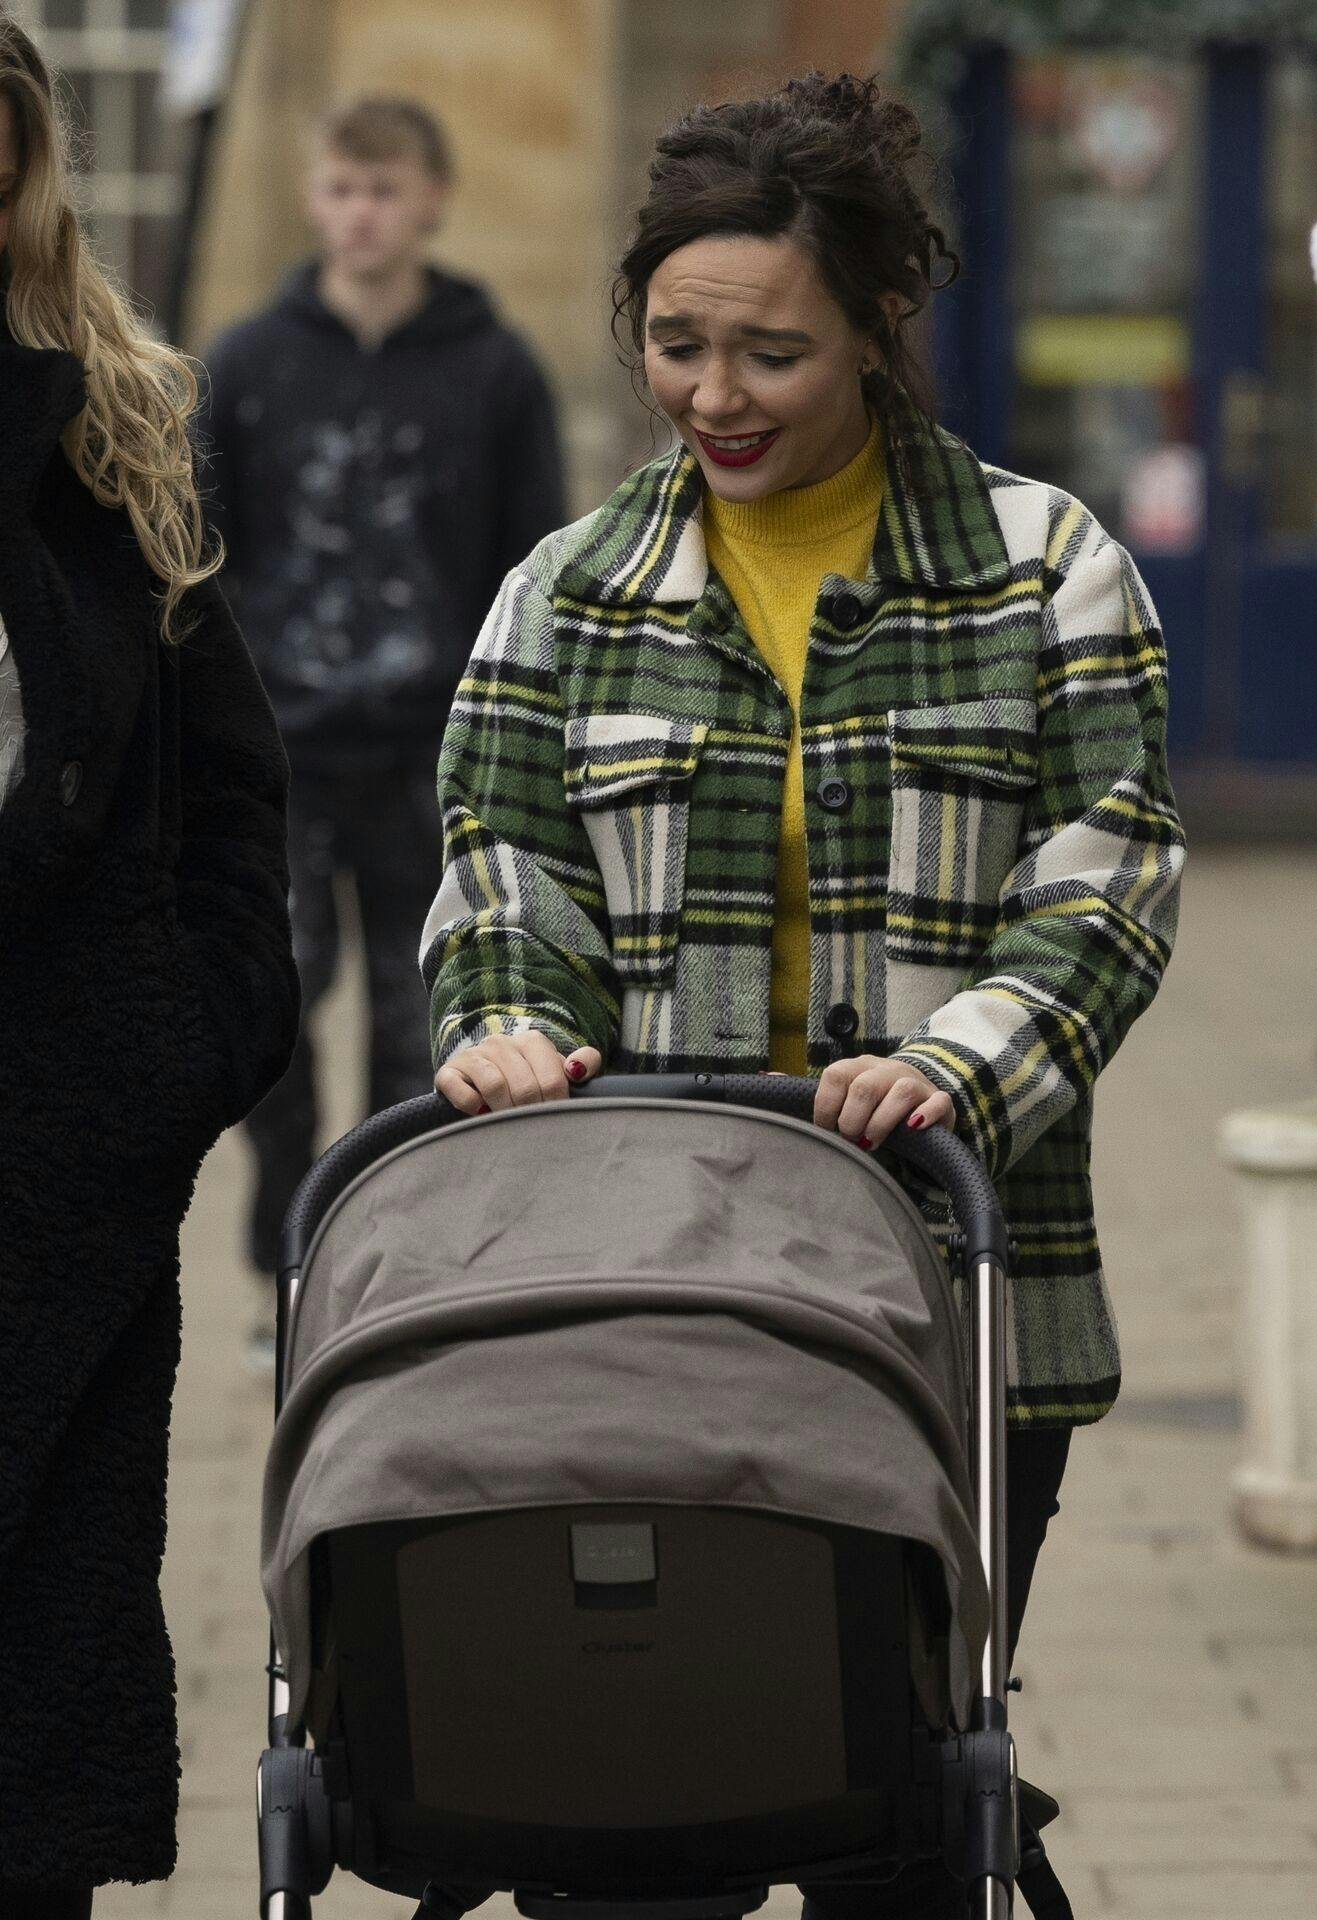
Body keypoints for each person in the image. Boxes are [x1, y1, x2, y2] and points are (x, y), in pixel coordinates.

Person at [422, 71, 1184, 1917]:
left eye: (768, 352)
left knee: (888, 1791)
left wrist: (952, 1067)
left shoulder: (1043, 570)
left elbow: (1110, 879)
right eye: (675, 345)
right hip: (646, 1277)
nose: (711, 397)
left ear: (874, 330)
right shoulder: (568, 592)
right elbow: (501, 868)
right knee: (634, 1794)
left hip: (944, 1294)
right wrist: (512, 1014)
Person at [0, 20, 298, 1917]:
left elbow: (224, 789)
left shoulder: (108, 415)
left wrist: (190, 1048)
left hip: (61, 1149)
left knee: (36, 1719)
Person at [200, 95, 565, 1317]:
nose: (363, 213)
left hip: (436, 757)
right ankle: (284, 1251)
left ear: (432, 203)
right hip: (281, 756)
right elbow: (199, 558)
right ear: (314, 202)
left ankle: (394, 1269)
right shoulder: (249, 362)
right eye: (344, 189)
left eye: (386, 190)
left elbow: (534, 569)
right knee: (268, 1016)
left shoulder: (495, 367)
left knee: (432, 1030)